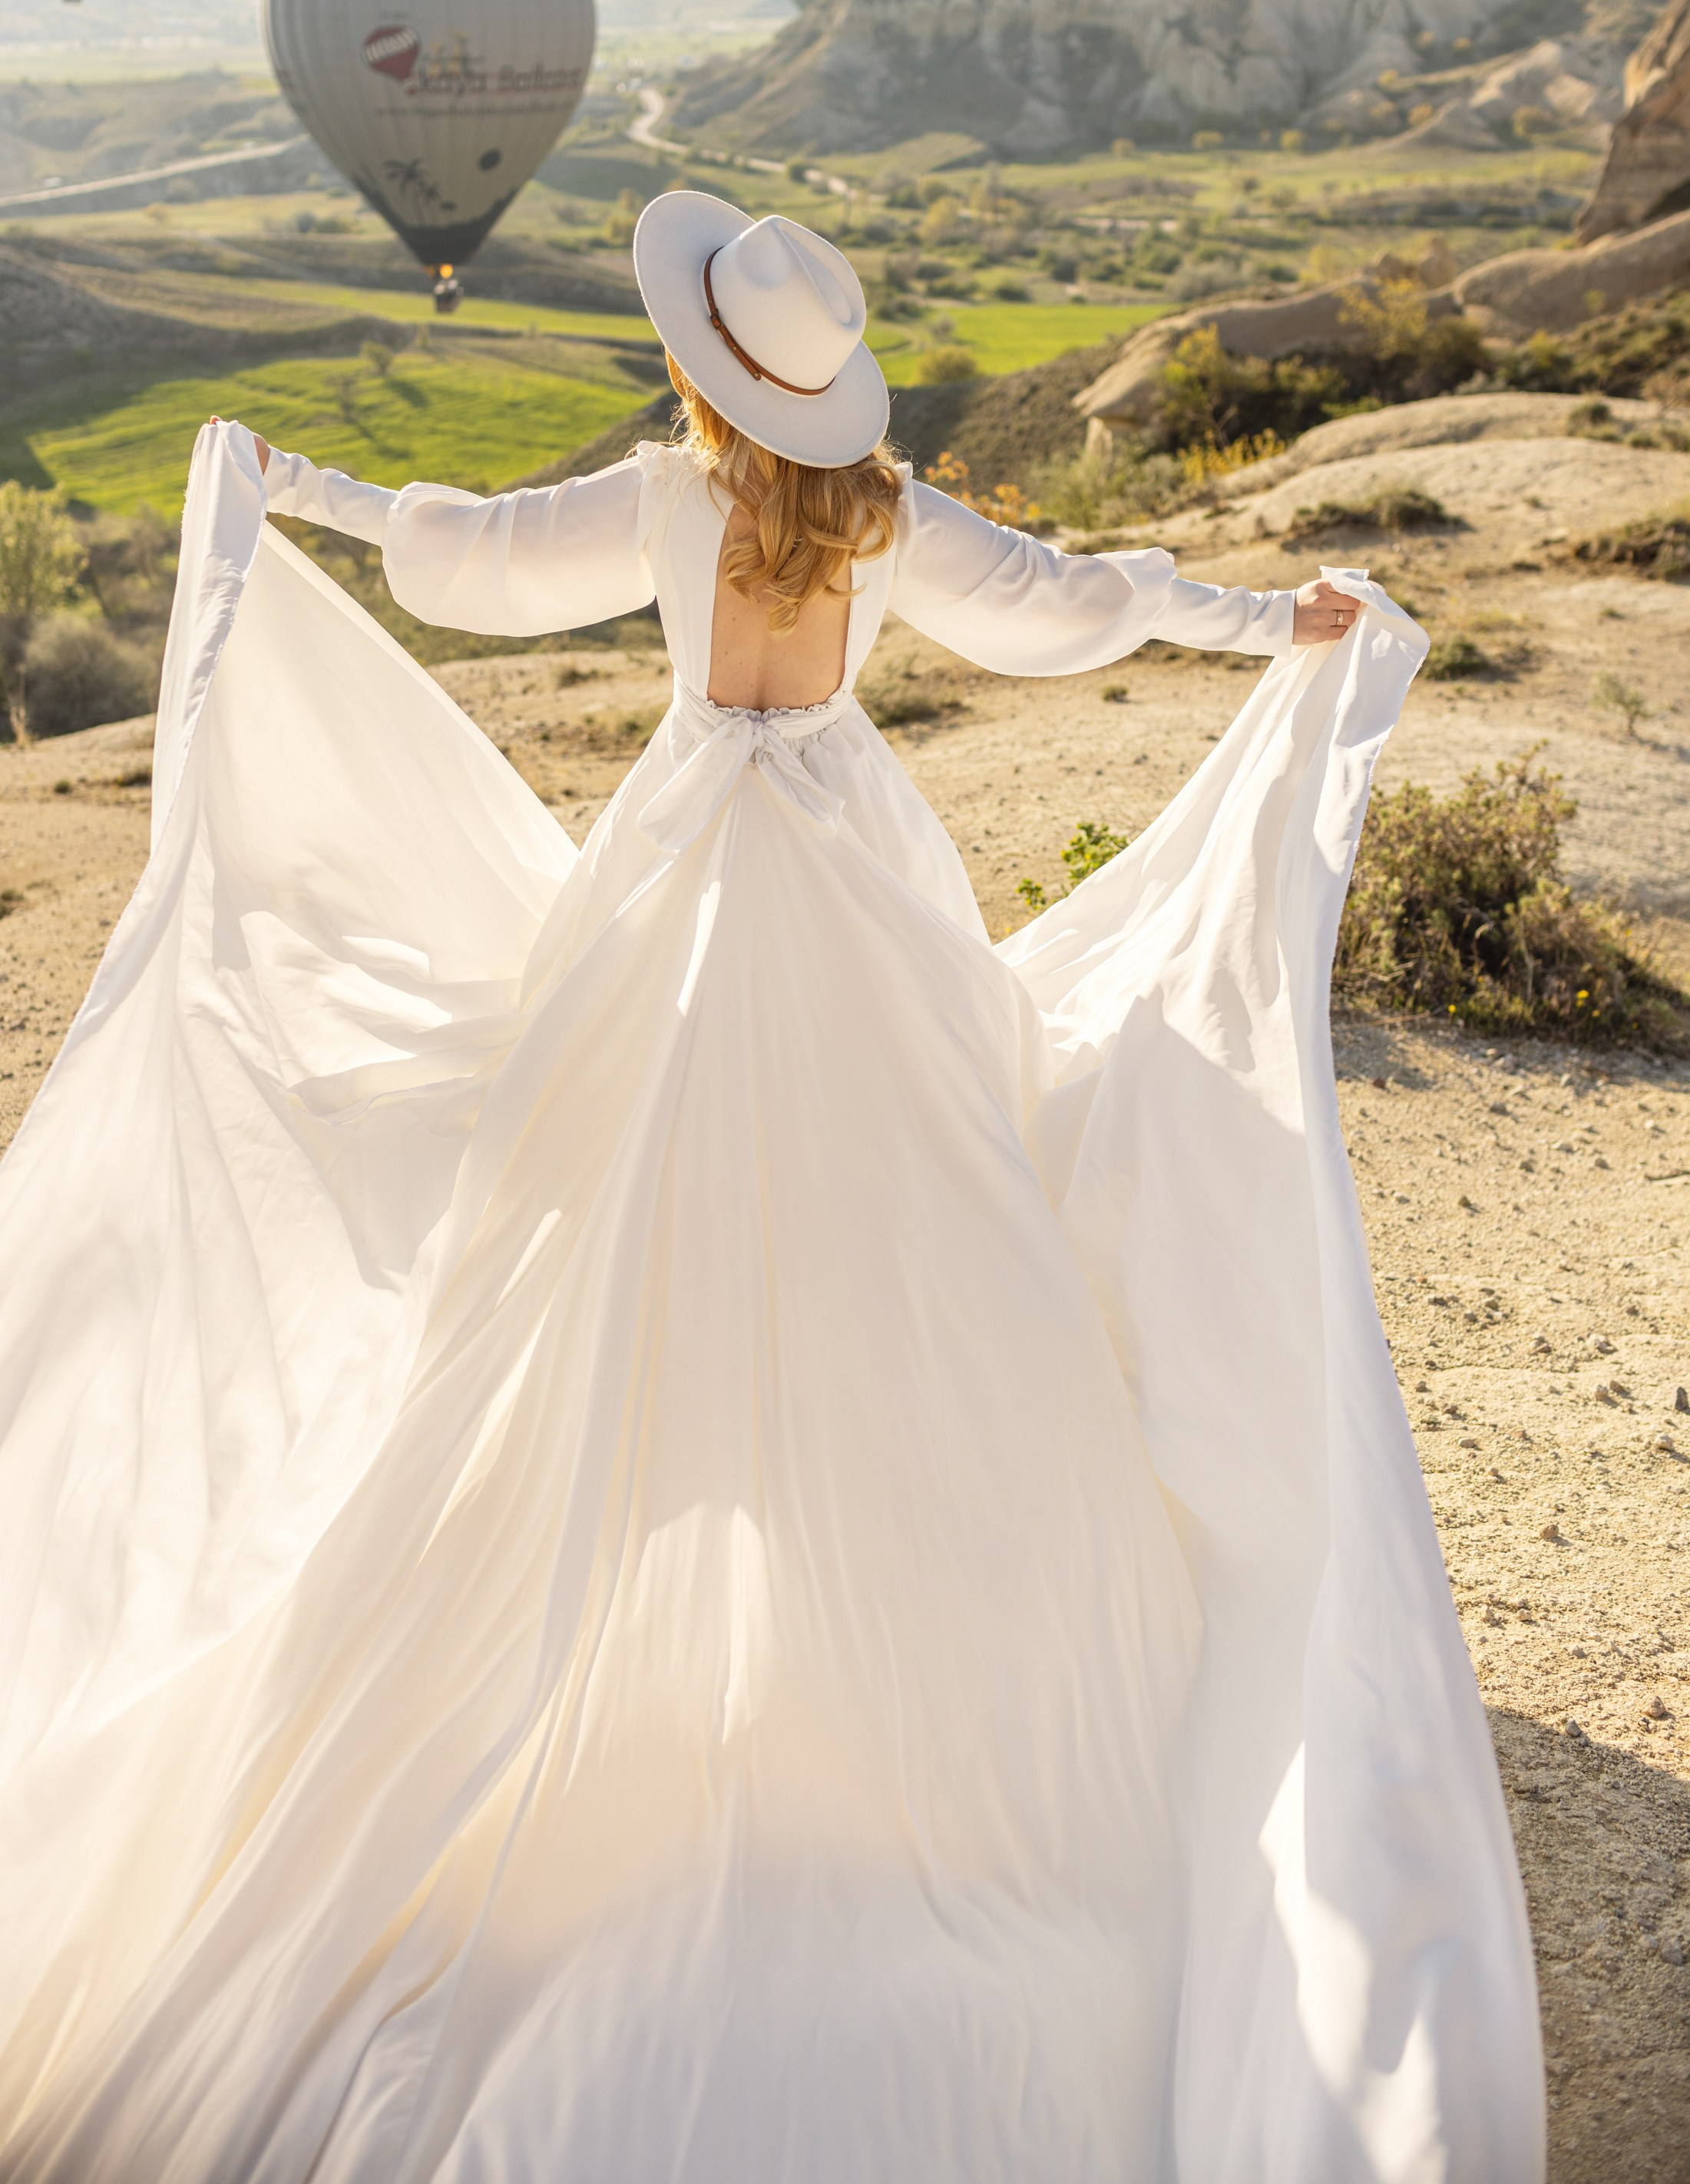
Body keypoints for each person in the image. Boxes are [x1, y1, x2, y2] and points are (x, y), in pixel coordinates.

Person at [0, 200, 1543, 2182]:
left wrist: (293, 484)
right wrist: (1273, 621)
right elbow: (1079, 603)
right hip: (840, 865)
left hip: (677, 868)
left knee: (580, 1227)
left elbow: (463, 555)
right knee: (913, 1226)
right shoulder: (889, 520)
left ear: (699, 365)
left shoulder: (657, 497)